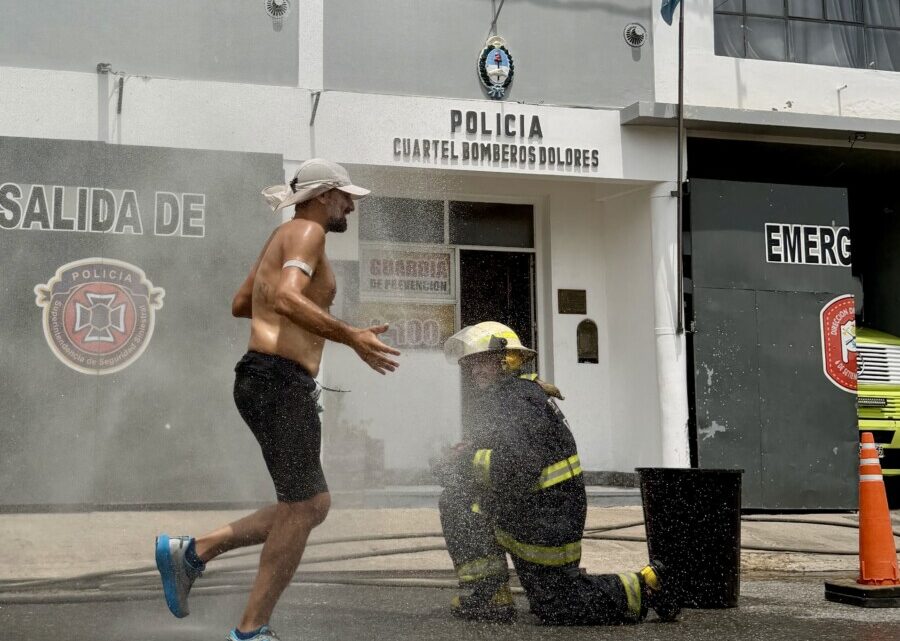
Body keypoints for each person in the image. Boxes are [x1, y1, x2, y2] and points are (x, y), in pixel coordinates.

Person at [155, 159, 401, 641]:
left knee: (310, 504)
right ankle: (250, 628)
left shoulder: (282, 237)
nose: (351, 204)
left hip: (265, 379)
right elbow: (286, 299)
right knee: (304, 505)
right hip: (278, 380)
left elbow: (243, 302)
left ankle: (194, 552)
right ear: (322, 196)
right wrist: (349, 334)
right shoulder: (308, 233)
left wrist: (294, 320)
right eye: (344, 195)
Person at [434, 321, 679, 625]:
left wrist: (463, 464)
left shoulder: (514, 401)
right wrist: (467, 454)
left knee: (559, 605)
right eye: (470, 365)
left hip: (545, 520)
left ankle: (647, 585)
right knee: (458, 501)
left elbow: (518, 467)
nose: (474, 371)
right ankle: (488, 596)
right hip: (534, 511)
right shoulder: (512, 396)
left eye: (481, 360)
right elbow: (506, 452)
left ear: (506, 359)